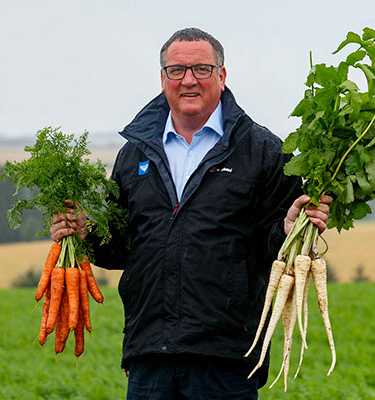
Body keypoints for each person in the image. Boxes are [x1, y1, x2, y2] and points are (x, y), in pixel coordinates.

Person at [50, 27, 332, 399]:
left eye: (201, 69)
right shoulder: (134, 153)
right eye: (177, 71)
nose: (188, 81)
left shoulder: (262, 150)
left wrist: (286, 228)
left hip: (227, 355)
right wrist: (88, 233)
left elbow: (273, 246)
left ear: (222, 75)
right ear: (163, 78)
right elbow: (122, 249)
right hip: (150, 352)